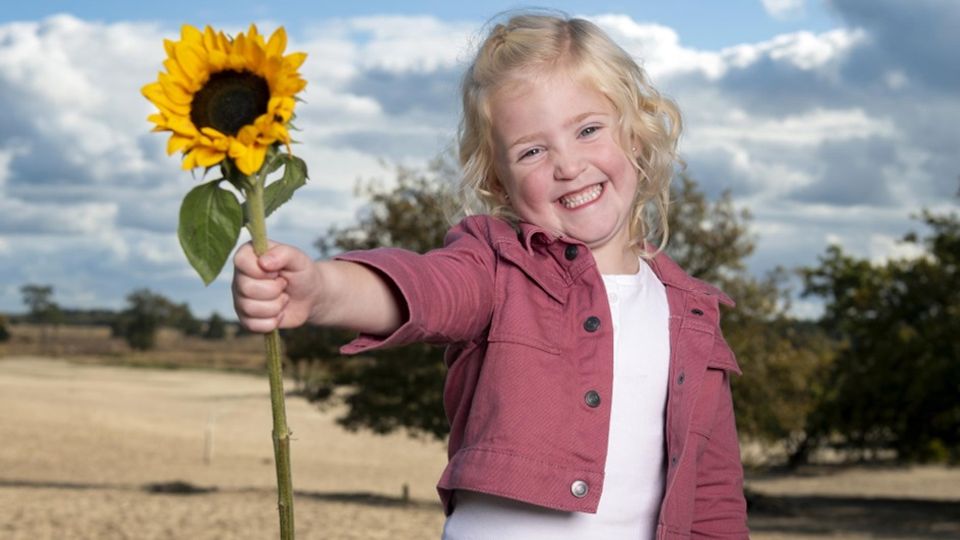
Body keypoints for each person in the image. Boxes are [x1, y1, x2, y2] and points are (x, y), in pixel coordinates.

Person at [232, 12, 749, 540]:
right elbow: (428, 290)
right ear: (500, 184)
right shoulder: (497, 266)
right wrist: (321, 290)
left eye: (589, 130)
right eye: (532, 151)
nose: (567, 165)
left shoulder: (693, 316)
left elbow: (712, 497)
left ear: (635, 138)